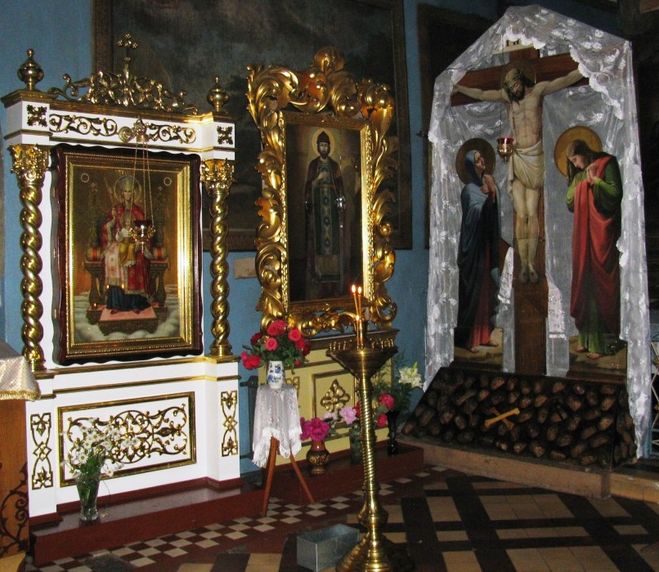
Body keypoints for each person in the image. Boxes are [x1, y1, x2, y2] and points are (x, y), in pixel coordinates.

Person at [454, 65, 582, 283]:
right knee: (521, 214)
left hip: (534, 156)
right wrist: (459, 88)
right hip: (517, 156)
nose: (512, 89)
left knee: (532, 212)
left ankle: (532, 261)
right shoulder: (508, 98)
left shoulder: (538, 91)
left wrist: (584, 69)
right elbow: (482, 94)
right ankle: (525, 265)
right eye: (509, 86)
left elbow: (564, 79)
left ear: (521, 80)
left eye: (514, 84)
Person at [565, 139, 623, 360]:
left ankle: (602, 344)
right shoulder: (580, 175)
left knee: (600, 285)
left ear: (584, 152)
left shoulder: (607, 164)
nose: (575, 164)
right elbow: (569, 201)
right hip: (584, 238)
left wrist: (597, 182)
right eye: (571, 162)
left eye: (576, 159)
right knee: (585, 282)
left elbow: (615, 194)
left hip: (602, 237)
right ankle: (586, 339)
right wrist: (582, 184)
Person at [455, 148, 501, 352]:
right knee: (474, 294)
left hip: (486, 246)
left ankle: (485, 334)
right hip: (473, 250)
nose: (482, 162)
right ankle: (471, 339)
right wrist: (488, 196)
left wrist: (492, 194)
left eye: (482, 159)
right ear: (470, 166)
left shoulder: (489, 186)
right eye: (477, 160)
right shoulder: (468, 190)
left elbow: (493, 216)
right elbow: (473, 215)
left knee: (488, 290)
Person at [304, 131, 347, 298]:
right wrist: (318, 179)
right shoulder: (313, 165)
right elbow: (308, 188)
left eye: (326, 145)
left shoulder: (334, 166)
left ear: (329, 147)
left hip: (332, 211)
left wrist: (340, 200)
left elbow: (340, 186)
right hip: (318, 212)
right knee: (319, 244)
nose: (324, 148)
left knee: (333, 244)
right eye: (321, 145)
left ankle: (334, 279)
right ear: (317, 147)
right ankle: (320, 277)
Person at [100, 175, 152, 314]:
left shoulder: (138, 211)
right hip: (119, 242)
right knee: (113, 257)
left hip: (135, 244)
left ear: (133, 193)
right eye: (125, 191)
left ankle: (135, 303)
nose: (127, 194)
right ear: (121, 193)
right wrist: (115, 232)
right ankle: (116, 303)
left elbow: (144, 231)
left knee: (137, 260)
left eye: (130, 191)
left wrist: (138, 240)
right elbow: (108, 227)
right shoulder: (116, 210)